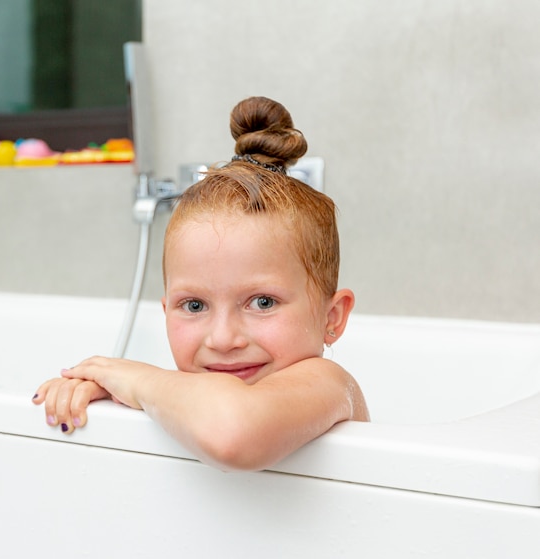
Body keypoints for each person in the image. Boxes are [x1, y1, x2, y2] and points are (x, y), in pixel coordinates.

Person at [32, 96, 369, 471]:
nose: (223, 340)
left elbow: (232, 431)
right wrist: (104, 393)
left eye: (262, 302)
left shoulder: (328, 384)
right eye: (194, 306)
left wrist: (138, 381)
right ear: (165, 310)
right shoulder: (188, 392)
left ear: (332, 317)